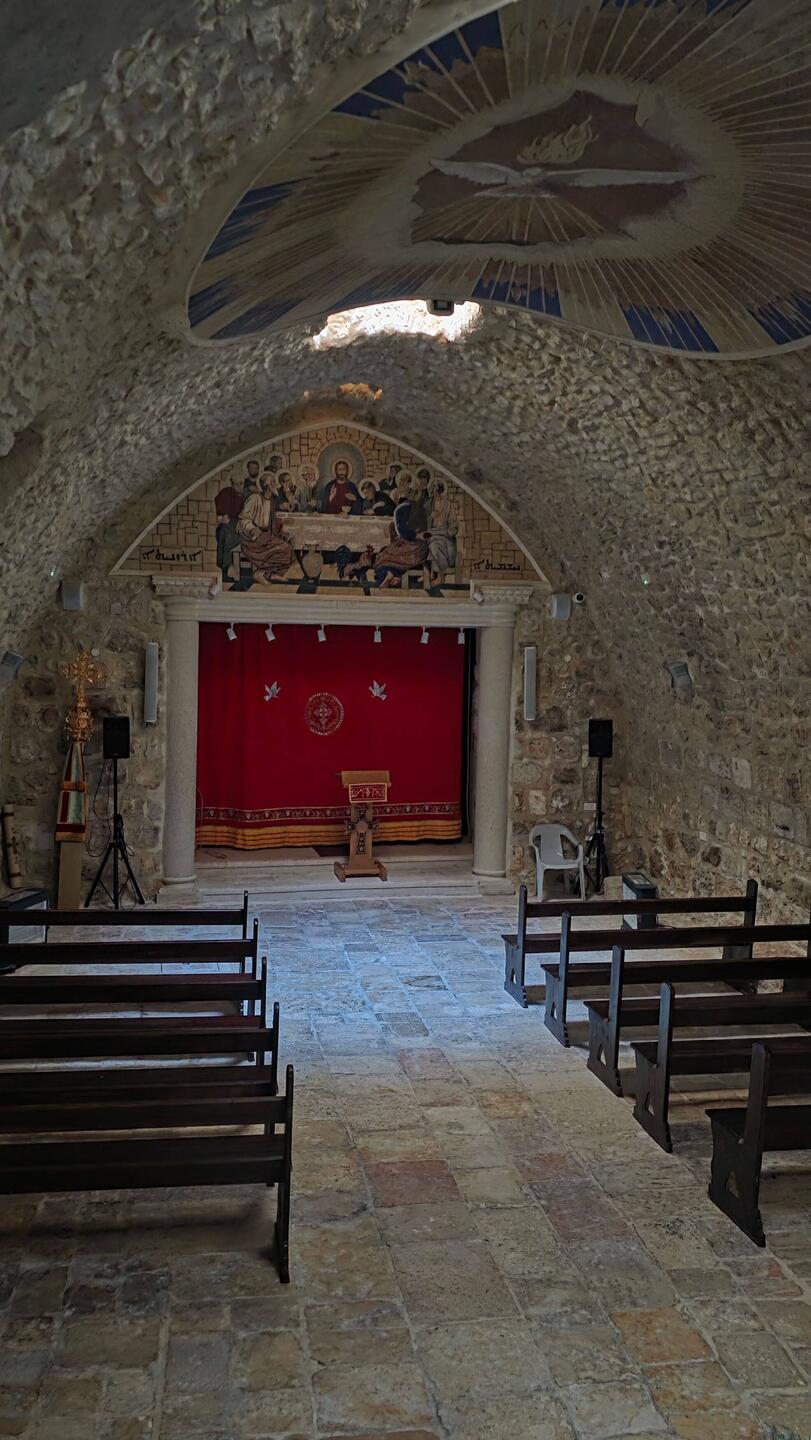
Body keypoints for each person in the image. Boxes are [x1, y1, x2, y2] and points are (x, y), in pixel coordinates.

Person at [373, 472, 430, 587]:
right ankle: (395, 576)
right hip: (422, 548)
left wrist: (413, 536)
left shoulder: (401, 509)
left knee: (384, 555)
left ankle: (390, 574)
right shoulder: (422, 508)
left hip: (409, 546)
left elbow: (403, 532)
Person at [236, 474, 294, 583]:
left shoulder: (272, 501)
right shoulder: (255, 498)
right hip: (252, 537)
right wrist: (252, 528)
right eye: (273, 483)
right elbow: (243, 519)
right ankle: (259, 572)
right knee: (284, 547)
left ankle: (271, 574)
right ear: (267, 486)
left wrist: (283, 526)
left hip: (266, 535)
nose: (276, 485)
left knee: (289, 543)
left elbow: (272, 522)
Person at [426, 476, 458, 585]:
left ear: (440, 489)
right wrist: (431, 517)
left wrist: (453, 528)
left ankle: (438, 575)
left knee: (439, 547)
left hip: (445, 535)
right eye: (432, 488)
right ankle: (439, 575)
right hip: (431, 534)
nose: (434, 491)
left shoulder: (447, 504)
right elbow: (423, 521)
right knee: (433, 546)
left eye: (436, 488)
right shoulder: (428, 504)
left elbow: (453, 521)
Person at [214, 485, 243, 579]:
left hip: (237, 539)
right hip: (226, 534)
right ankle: (226, 567)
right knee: (222, 530)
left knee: (225, 532)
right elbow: (220, 519)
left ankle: (227, 567)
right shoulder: (222, 527)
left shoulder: (237, 521)